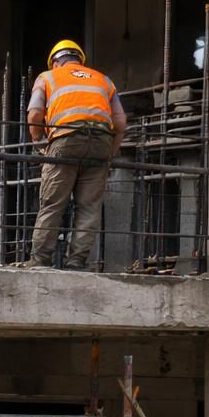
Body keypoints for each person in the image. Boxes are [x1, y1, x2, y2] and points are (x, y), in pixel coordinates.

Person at [20, 40, 127, 270]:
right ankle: (76, 262)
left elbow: (35, 114)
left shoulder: (48, 77)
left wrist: (40, 144)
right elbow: (120, 122)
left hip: (65, 139)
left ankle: (39, 261)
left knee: (52, 203)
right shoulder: (103, 80)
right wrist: (111, 152)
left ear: (55, 62)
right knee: (88, 207)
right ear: (79, 60)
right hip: (101, 141)